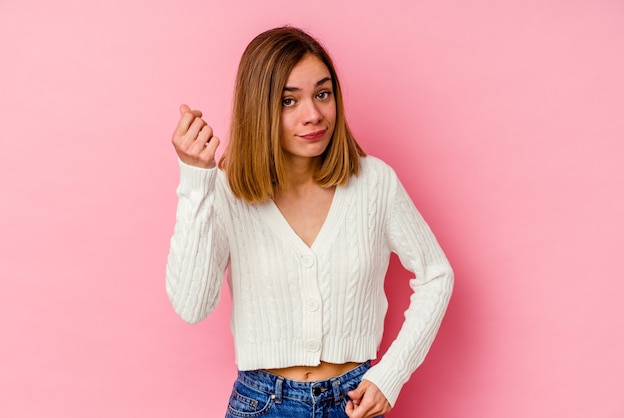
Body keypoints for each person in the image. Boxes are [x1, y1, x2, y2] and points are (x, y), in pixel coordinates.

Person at [166, 26, 453, 418]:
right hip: (262, 404)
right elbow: (192, 305)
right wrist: (196, 179)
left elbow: (436, 274)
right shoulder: (227, 193)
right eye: (289, 101)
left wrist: (391, 374)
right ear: (259, 108)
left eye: (323, 93)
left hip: (354, 403)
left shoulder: (374, 183)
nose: (314, 115)